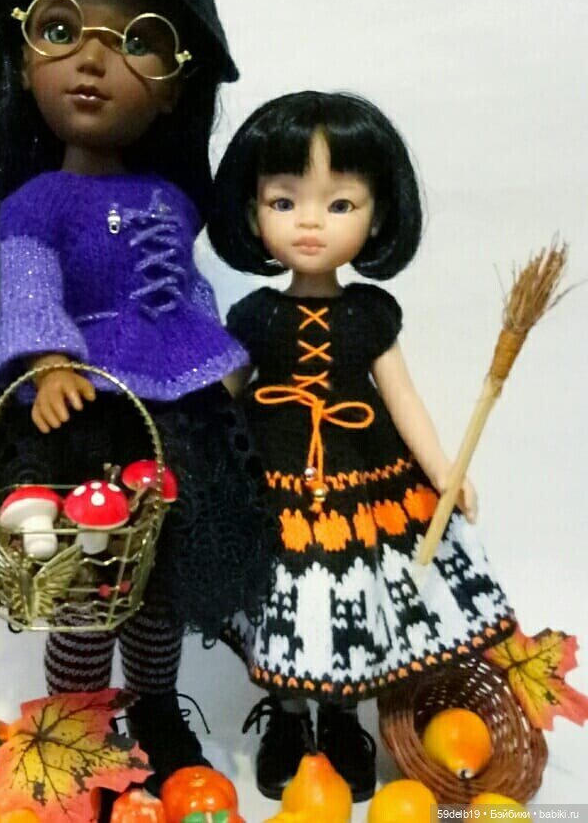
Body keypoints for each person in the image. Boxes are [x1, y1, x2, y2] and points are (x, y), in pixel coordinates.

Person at [0, 0, 273, 793]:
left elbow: (186, 291)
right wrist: (47, 363)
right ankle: (78, 721)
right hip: (82, 418)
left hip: (171, 415)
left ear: (176, 87)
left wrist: (221, 360)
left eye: (138, 41)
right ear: (22, 57)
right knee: (85, 582)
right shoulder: (35, 204)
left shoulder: (172, 200)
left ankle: (155, 707)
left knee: (159, 582)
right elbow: (30, 288)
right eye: (61, 30)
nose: (94, 61)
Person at [207, 91, 515, 801]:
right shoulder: (255, 315)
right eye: (284, 202)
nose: (310, 221)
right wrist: (194, 459)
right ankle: (289, 717)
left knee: (349, 596)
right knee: (283, 598)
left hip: (361, 482)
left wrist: (443, 469)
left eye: (340, 203)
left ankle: (343, 719)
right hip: (273, 484)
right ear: (252, 213)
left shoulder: (371, 315)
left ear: (377, 216)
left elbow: (402, 397)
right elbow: (221, 395)